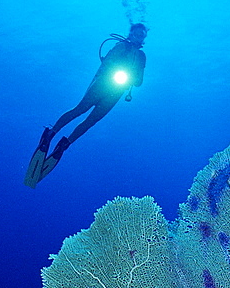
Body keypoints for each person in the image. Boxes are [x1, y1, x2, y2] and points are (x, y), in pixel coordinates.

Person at [24, 22, 147, 187]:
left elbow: (139, 81)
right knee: (80, 109)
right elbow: (107, 61)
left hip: (116, 92)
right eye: (137, 33)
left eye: (142, 34)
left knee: (91, 121)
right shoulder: (121, 46)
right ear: (131, 33)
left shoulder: (141, 57)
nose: (139, 36)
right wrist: (119, 70)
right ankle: (50, 134)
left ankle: (64, 144)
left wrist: (131, 76)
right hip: (103, 83)